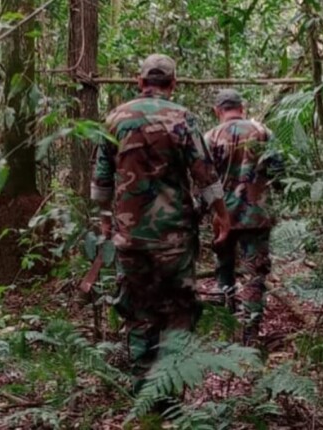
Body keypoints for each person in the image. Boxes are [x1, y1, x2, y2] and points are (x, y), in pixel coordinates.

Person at [90, 54, 231, 392]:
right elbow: (205, 175)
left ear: (140, 82)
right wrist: (222, 216)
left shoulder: (114, 119)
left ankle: (143, 388)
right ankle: (168, 394)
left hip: (130, 237)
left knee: (138, 309)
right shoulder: (183, 118)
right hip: (174, 238)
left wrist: (105, 220)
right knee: (178, 311)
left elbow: (101, 179)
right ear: (173, 84)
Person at [204, 88, 283, 345]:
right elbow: (279, 170)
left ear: (218, 111)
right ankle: (250, 332)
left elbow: (202, 177)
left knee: (223, 268)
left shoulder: (210, 137)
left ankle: (226, 329)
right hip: (256, 214)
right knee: (254, 274)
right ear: (242, 107)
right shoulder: (262, 132)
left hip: (221, 215)